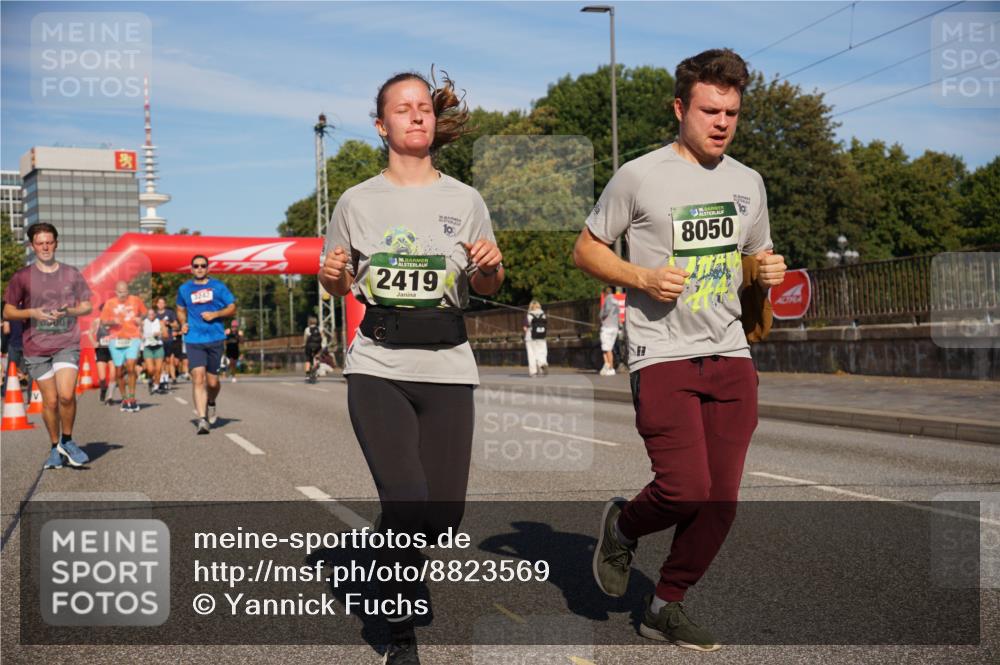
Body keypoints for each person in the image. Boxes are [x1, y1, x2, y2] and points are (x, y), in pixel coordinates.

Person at [573, 49, 786, 651]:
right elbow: (586, 250)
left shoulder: (749, 183)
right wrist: (641, 278)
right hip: (661, 354)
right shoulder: (640, 176)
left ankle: (666, 603)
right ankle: (623, 525)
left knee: (721, 501)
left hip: (731, 356)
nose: (721, 122)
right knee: (685, 487)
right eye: (709, 109)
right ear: (679, 108)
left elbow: (755, 259)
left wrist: (766, 270)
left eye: (732, 112)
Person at [319, 69, 503, 665]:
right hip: (378, 363)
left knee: (443, 515)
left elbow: (488, 282)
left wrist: (490, 264)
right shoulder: (355, 201)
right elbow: (338, 280)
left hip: (449, 364)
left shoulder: (466, 200)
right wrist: (331, 278)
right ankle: (399, 628)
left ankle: (388, 552)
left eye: (424, 107)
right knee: (405, 497)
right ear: (382, 125)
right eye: (403, 109)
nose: (417, 116)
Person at [3, 223, 93, 469]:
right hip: (36, 346)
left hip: (66, 342)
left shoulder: (71, 273)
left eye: (49, 242)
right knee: (50, 401)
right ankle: (55, 446)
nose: (45, 246)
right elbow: (8, 310)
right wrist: (33, 312)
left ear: (56, 243)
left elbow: (87, 306)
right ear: (32, 246)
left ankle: (68, 440)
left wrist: (69, 310)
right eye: (40, 242)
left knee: (66, 395)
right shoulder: (22, 277)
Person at [177, 255, 236, 435]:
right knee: (198, 377)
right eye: (196, 266)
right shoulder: (184, 288)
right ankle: (202, 419)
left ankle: (211, 402)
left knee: (212, 382)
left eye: (203, 266)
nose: (200, 268)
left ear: (208, 268)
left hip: (215, 338)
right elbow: (180, 309)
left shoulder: (218, 286)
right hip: (194, 338)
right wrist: (182, 323)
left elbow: (232, 307)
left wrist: (216, 315)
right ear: (191, 268)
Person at [100, 280, 146, 413]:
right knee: (119, 372)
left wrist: (139, 320)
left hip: (133, 338)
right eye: (120, 292)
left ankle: (132, 398)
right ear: (116, 292)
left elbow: (143, 314)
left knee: (131, 366)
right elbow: (103, 322)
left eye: (125, 291)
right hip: (116, 340)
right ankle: (124, 399)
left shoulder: (136, 300)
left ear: (128, 291)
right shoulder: (110, 303)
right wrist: (111, 321)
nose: (122, 294)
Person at [89, 305, 117, 404]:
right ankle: (103, 390)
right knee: (102, 378)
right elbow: (90, 333)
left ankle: (110, 397)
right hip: (101, 350)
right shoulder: (97, 321)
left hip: (113, 350)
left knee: (113, 375)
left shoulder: (114, 321)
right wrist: (94, 343)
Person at [141, 307, 168, 394]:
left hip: (158, 347)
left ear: (155, 315)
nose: (151, 316)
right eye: (149, 314)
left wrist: (160, 334)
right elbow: (137, 334)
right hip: (148, 348)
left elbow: (166, 335)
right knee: (150, 369)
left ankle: (156, 386)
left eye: (152, 314)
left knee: (158, 369)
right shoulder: (143, 323)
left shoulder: (160, 323)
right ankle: (150, 380)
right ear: (147, 315)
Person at [154, 296, 179, 390]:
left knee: (168, 360)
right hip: (157, 340)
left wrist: (169, 323)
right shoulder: (154, 315)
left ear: (165, 304)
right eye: (159, 303)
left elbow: (176, 325)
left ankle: (165, 378)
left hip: (168, 340)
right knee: (160, 360)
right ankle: (161, 379)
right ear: (156, 304)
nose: (161, 304)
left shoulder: (170, 313)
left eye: (162, 303)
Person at [522, 299, 548, 377]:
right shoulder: (543, 314)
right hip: (541, 337)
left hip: (530, 338)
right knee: (542, 353)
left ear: (530, 306)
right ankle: (542, 365)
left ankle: (533, 372)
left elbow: (525, 328)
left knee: (531, 355)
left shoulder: (529, 315)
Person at [598, 286, 620, 376]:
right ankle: (609, 367)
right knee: (609, 348)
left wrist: (601, 316)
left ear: (605, 293)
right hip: (615, 327)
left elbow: (606, 311)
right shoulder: (616, 300)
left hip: (607, 327)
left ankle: (610, 368)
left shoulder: (608, 299)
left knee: (606, 349)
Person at [302, 315, 326, 381]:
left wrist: (304, 344)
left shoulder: (307, 329)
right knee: (317, 356)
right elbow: (323, 337)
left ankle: (307, 374)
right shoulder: (320, 328)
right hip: (318, 346)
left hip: (309, 346)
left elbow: (305, 339)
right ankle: (316, 364)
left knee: (308, 359)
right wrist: (323, 345)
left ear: (309, 322)